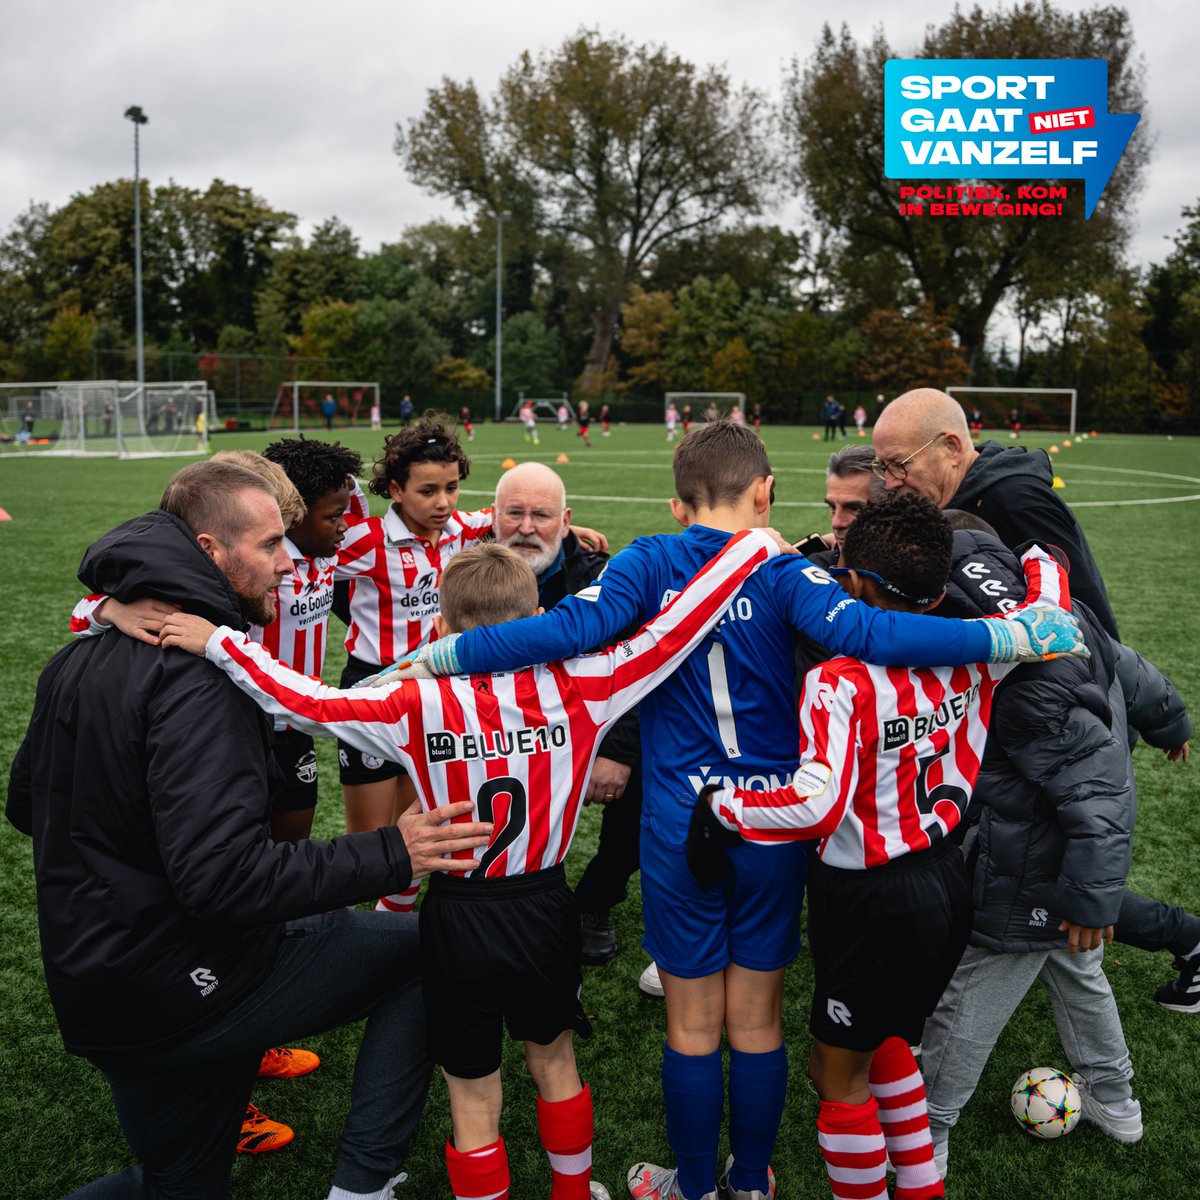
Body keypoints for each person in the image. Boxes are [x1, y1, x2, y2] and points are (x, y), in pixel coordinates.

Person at [395, 422, 1085, 1200]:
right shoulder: (787, 568)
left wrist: (452, 654)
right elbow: (872, 631)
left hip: (677, 823)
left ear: (679, 502)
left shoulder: (647, 559)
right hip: (768, 823)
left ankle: (693, 1187)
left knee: (692, 1029)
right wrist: (1006, 634)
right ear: (764, 495)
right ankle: (750, 1183)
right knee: (756, 1023)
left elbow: (565, 629)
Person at [156, 531, 784, 1200]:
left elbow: (302, 703)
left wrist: (222, 641)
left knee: (472, 1087)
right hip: (543, 908)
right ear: (539, 621)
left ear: (442, 626)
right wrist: (749, 549)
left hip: (458, 911)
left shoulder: (412, 700)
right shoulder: (582, 684)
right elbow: (669, 634)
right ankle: (571, 1194)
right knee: (555, 1062)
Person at [6, 459, 493, 1200]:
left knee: (179, 1185)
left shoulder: (79, 655)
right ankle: (362, 1186)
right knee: (432, 951)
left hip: (102, 988)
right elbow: (223, 880)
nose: (284, 564)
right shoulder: (199, 680)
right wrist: (395, 849)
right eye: (269, 546)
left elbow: (24, 806)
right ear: (208, 550)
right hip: (189, 982)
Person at [692, 495, 1071, 1200]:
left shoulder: (841, 681)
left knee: (834, 1076)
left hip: (870, 901)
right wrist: (1042, 557)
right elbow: (1052, 602)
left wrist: (721, 806)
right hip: (946, 882)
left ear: (856, 584)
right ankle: (921, 1187)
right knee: (892, 1043)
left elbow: (815, 805)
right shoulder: (982, 649)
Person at [920, 513, 1192, 1177]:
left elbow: (1097, 796)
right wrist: (1170, 721)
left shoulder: (1024, 667)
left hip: (1030, 866)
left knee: (971, 997)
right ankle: (1117, 1101)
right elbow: (1129, 668)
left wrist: (1094, 901)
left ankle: (927, 1133)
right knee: (1078, 974)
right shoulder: (1055, 612)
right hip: (1049, 858)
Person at [494, 462, 643, 966]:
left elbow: (637, 668)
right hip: (502, 724)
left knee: (644, 776)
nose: (527, 527)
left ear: (566, 519)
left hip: (590, 724)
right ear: (492, 516)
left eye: (542, 515)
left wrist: (617, 753)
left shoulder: (605, 576)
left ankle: (595, 902)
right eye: (515, 513)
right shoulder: (470, 569)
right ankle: (492, 893)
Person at [872, 388, 1119, 637]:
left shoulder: (1015, 504)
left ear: (951, 448)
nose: (891, 482)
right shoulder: (951, 498)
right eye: (884, 467)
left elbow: (1086, 623)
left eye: (900, 465)